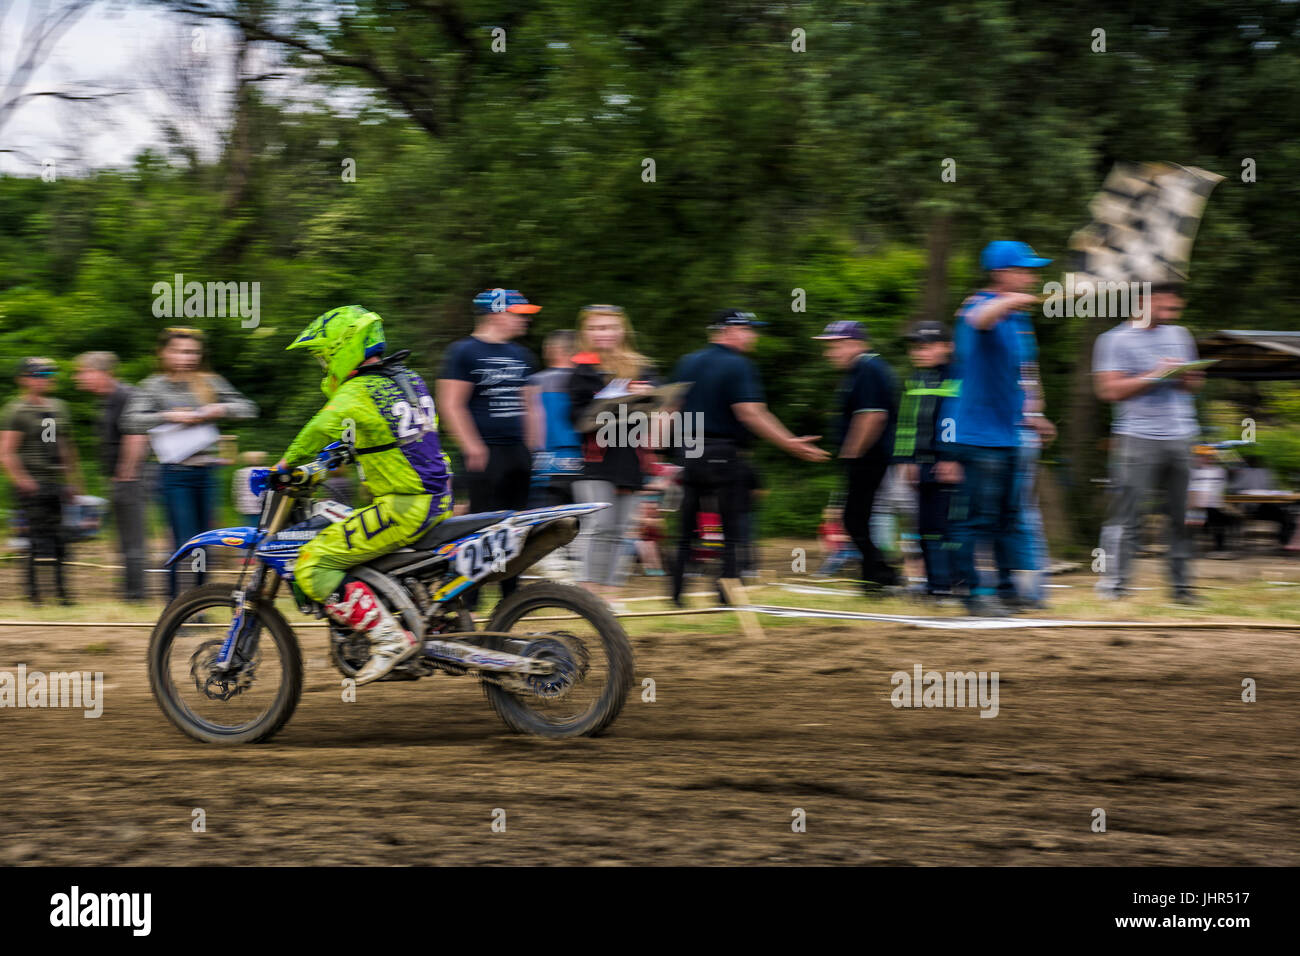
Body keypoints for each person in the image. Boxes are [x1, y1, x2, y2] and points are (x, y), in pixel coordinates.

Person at [278, 305, 453, 684]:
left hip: (403, 507)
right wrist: (330, 460)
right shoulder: (406, 379)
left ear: (345, 348)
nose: (324, 367)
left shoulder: (359, 389)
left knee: (313, 563)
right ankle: (403, 609)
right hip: (438, 498)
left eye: (325, 357)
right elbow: (382, 438)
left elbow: (318, 428)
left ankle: (389, 639)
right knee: (347, 527)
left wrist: (282, 466)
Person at [668, 310, 829, 605]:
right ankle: (726, 597)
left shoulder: (687, 362)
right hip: (723, 452)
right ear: (729, 330)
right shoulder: (739, 365)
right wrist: (789, 443)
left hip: (689, 450)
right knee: (732, 530)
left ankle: (676, 596)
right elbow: (750, 413)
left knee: (685, 532)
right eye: (748, 329)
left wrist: (660, 452)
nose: (753, 335)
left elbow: (671, 409)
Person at [948, 240, 1052, 616]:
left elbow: (1024, 372)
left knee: (1007, 518)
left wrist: (1035, 412)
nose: (1032, 276)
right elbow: (981, 319)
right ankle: (974, 594)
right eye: (1024, 269)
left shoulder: (1020, 321)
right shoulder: (977, 306)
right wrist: (1010, 301)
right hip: (979, 435)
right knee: (978, 519)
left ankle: (1008, 590)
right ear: (1001, 273)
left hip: (1008, 432)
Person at [122, 328, 258, 600]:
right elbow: (130, 420)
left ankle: (198, 603)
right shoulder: (153, 385)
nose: (188, 358)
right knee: (183, 540)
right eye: (180, 351)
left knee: (206, 543)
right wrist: (169, 415)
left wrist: (220, 409)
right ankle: (174, 604)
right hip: (174, 472)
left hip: (206, 472)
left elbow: (249, 408)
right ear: (164, 353)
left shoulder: (209, 382)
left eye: (193, 352)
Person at [1092, 278, 1204, 603]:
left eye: (1175, 308)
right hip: (1135, 438)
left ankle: (1182, 591)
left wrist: (1190, 377)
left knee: (1182, 517)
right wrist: (1156, 374)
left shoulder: (1180, 335)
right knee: (1127, 516)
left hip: (1182, 435)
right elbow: (1109, 391)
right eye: (1164, 306)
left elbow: (1192, 387)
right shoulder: (1113, 340)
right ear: (1142, 301)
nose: (1170, 313)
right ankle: (1114, 587)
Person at [437, 289, 542, 601]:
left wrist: (532, 448)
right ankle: (469, 597)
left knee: (516, 525)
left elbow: (531, 405)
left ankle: (511, 595)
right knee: (480, 525)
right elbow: (451, 404)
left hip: (516, 453)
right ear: (498, 313)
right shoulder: (463, 351)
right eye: (519, 313)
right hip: (485, 453)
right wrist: (472, 446)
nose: (525, 320)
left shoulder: (523, 355)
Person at [568, 305, 658, 598]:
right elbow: (576, 419)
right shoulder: (583, 369)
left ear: (621, 331)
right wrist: (610, 406)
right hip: (596, 459)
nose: (601, 333)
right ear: (585, 333)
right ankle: (588, 595)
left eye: (607, 327)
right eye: (595, 328)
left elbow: (657, 407)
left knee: (622, 530)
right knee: (599, 526)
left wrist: (646, 397)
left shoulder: (642, 367)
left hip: (630, 458)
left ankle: (610, 598)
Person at [814, 320, 900, 593]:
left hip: (869, 459)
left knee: (855, 519)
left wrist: (852, 454)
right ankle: (876, 575)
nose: (830, 353)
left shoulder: (868, 368)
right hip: (868, 458)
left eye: (836, 346)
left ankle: (882, 575)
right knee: (857, 519)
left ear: (856, 343)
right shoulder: (859, 370)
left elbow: (872, 416)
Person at [0, 357, 81, 604]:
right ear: (24, 379)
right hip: (31, 485)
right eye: (39, 375)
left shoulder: (58, 407)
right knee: (35, 541)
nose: (45, 379)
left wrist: (73, 479)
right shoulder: (16, 410)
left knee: (61, 540)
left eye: (48, 374)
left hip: (55, 482)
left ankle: (62, 593)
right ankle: (34, 594)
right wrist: (22, 480)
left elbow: (65, 446)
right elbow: (6, 451)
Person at [892, 320, 962, 600]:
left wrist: (951, 457)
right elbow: (907, 423)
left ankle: (953, 583)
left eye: (928, 345)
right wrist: (906, 459)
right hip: (920, 465)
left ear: (947, 346)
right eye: (916, 346)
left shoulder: (957, 378)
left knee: (948, 527)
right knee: (925, 528)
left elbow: (955, 421)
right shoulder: (915, 379)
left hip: (947, 464)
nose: (920, 351)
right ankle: (933, 585)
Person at [73, 351, 150, 602]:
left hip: (131, 479)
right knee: (125, 541)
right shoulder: (107, 400)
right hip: (119, 479)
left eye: (82, 371)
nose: (79, 378)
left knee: (133, 540)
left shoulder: (126, 396)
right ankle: (130, 592)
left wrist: (126, 473)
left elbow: (138, 435)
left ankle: (136, 596)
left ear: (100, 372)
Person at [529, 329, 583, 509]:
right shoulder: (591, 382)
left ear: (550, 349)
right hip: (582, 464)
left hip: (544, 466)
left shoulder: (534, 382)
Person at [232, 450, 270, 526]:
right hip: (263, 507)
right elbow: (269, 488)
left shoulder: (240, 472)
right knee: (264, 528)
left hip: (246, 508)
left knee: (250, 529)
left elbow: (236, 491)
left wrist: (237, 505)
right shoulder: (267, 471)